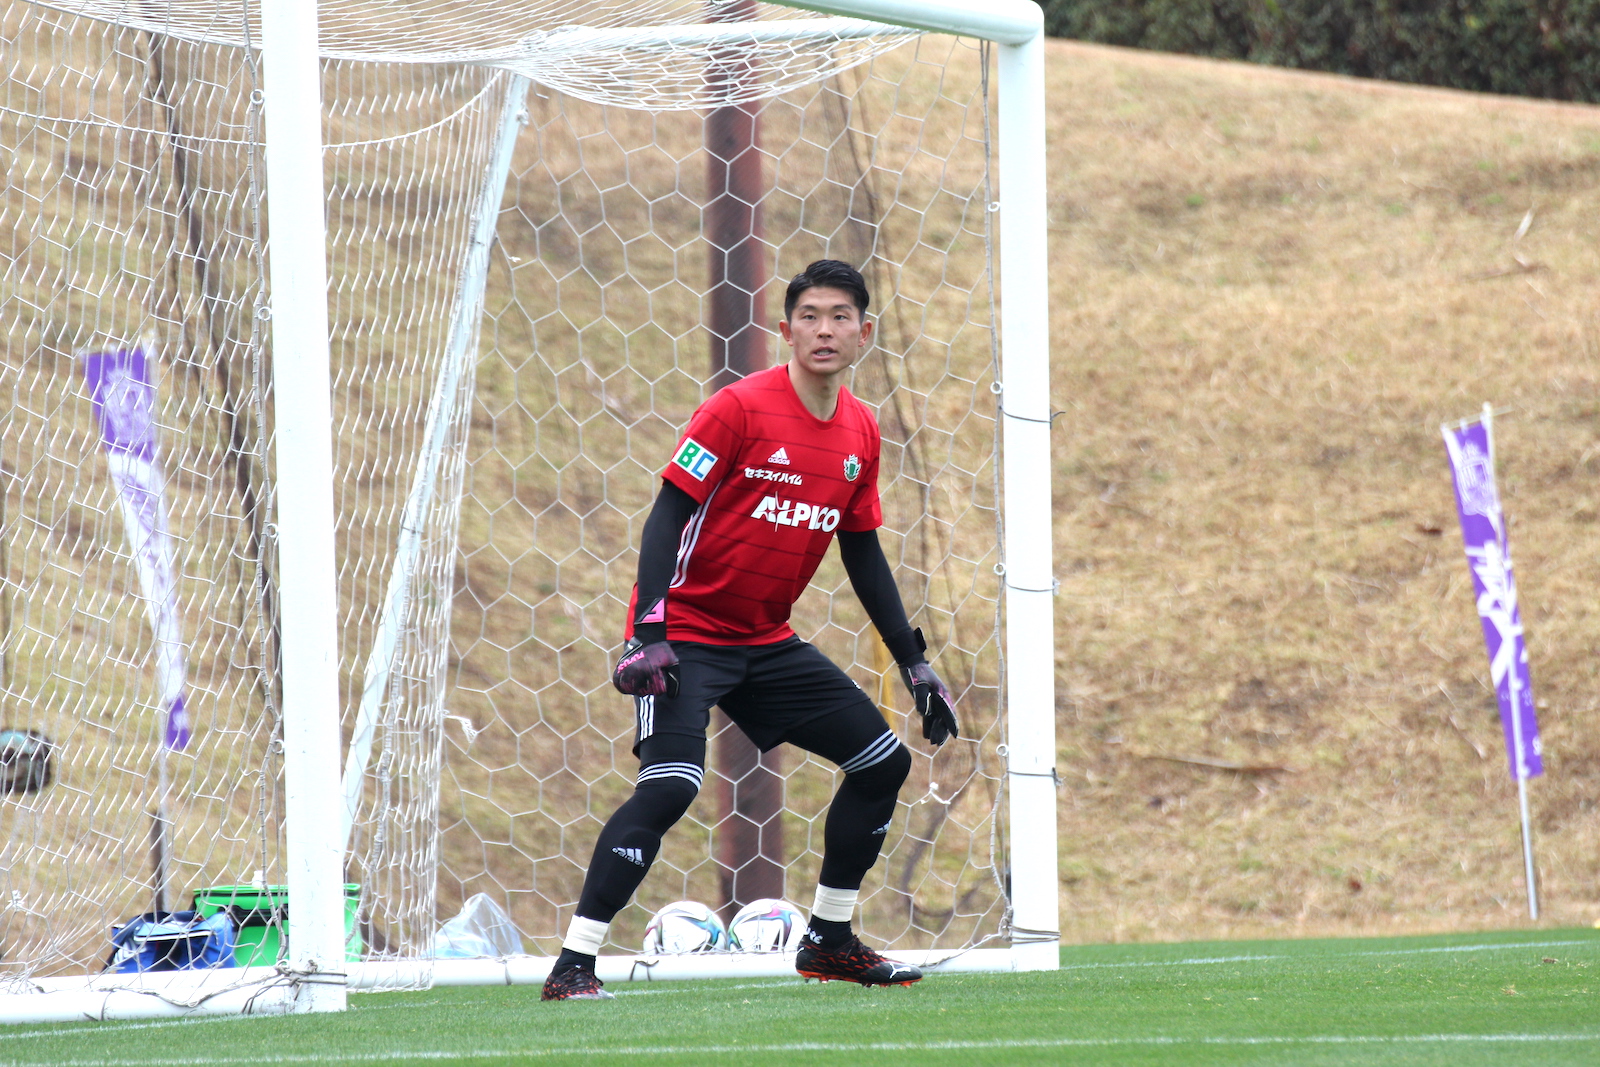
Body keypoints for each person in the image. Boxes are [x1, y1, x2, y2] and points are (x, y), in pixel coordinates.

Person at [540, 259, 958, 1002]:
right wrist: (648, 629)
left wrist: (912, 662)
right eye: (809, 316)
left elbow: (860, 549)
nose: (823, 329)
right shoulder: (737, 409)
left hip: (765, 640)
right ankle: (575, 961)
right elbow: (667, 511)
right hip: (687, 634)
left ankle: (829, 941)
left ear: (865, 332)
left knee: (881, 762)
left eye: (839, 317)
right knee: (670, 786)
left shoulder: (861, 431)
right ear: (786, 328)